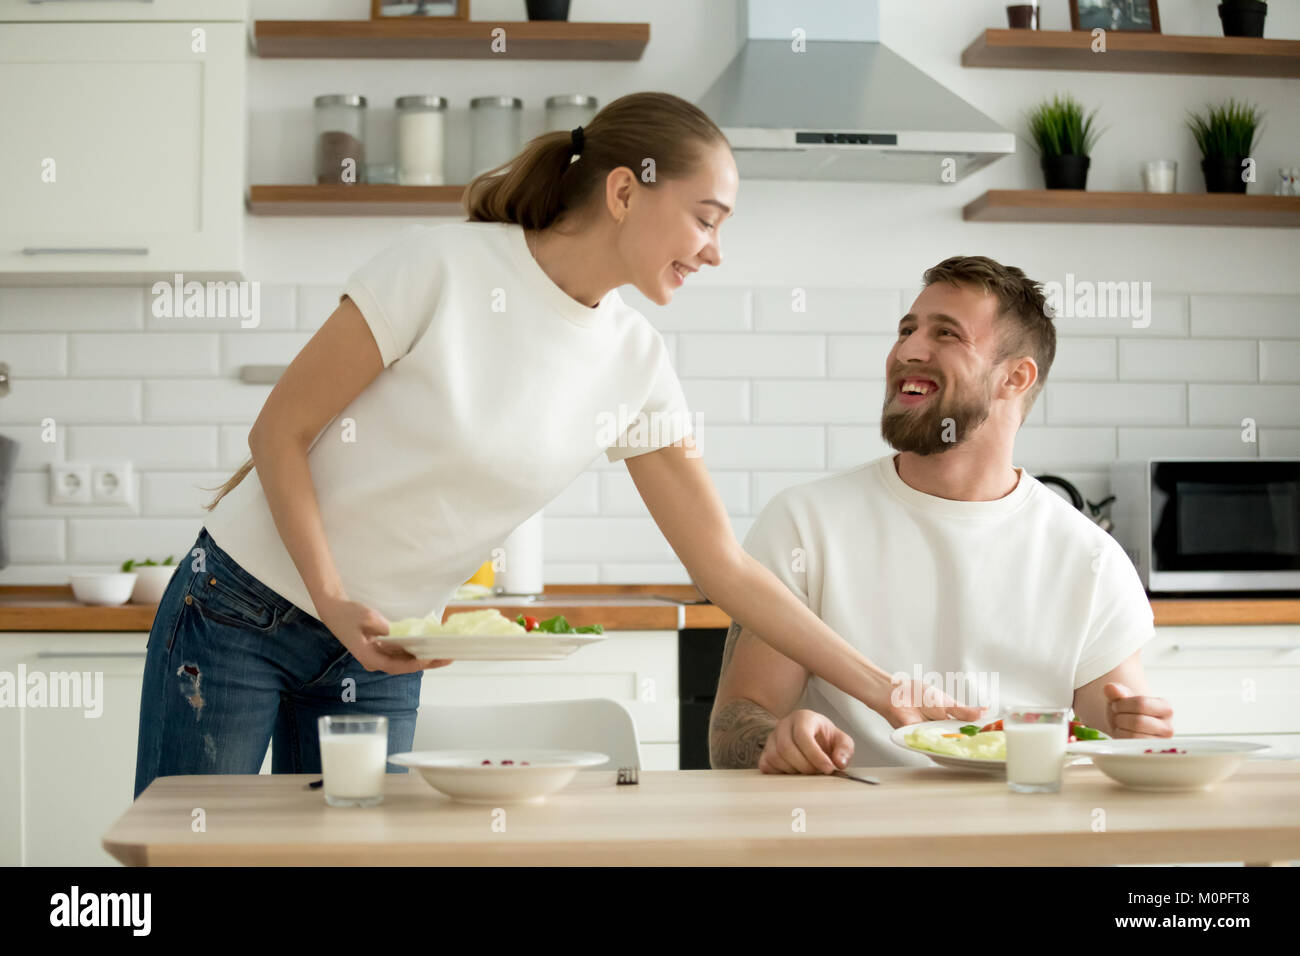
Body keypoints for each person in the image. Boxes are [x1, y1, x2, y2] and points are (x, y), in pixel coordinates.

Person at [133, 91, 978, 799]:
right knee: (191, 857)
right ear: (623, 192)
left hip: (381, 651)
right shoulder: (444, 268)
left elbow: (724, 566)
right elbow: (280, 428)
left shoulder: (636, 362)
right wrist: (330, 592)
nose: (716, 252)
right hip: (240, 611)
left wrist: (887, 693)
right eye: (705, 219)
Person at [709, 255, 1175, 774]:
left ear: (1015, 378)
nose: (908, 350)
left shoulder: (1090, 558)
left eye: (946, 334)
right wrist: (777, 740)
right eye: (906, 330)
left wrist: (1133, 732)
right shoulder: (803, 524)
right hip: (850, 835)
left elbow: (1112, 734)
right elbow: (732, 728)